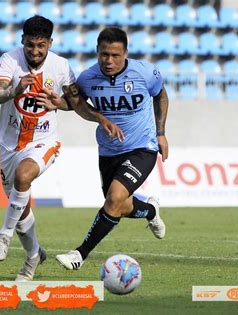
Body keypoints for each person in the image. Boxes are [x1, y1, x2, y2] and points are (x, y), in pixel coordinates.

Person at [0, 16, 122, 281]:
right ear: (21, 42)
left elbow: (75, 103)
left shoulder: (60, 66)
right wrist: (14, 90)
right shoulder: (10, 60)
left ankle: (3, 236)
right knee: (20, 206)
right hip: (9, 144)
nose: (35, 52)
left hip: (44, 141)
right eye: (29, 46)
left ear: (50, 43)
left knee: (23, 177)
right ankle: (33, 256)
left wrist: (78, 109)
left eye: (41, 46)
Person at [53, 27, 169, 270]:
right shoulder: (87, 78)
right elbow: (77, 104)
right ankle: (150, 211)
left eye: (116, 55)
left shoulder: (146, 72)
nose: (109, 61)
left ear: (125, 53)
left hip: (142, 148)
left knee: (115, 198)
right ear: (97, 51)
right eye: (104, 54)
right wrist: (59, 103)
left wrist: (161, 133)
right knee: (118, 205)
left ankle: (79, 254)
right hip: (108, 152)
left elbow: (160, 95)